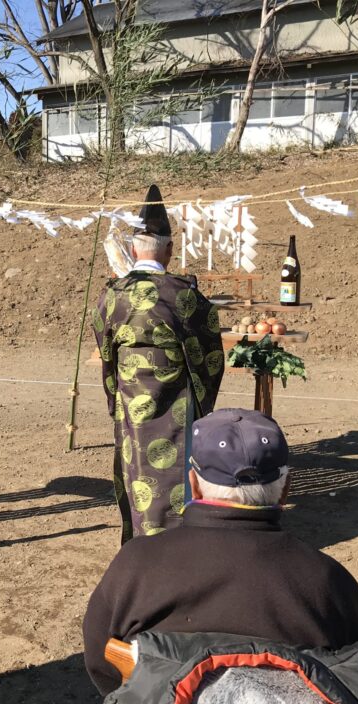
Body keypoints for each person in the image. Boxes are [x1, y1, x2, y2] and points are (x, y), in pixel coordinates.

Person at [82, 408, 358, 697]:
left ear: (193, 484)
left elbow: (101, 662)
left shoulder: (137, 563)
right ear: (286, 488)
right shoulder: (327, 580)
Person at [94, 185, 224, 544]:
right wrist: (203, 399)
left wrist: (116, 395)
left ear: (134, 249)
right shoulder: (183, 294)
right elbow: (209, 353)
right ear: (169, 249)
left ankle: (139, 544)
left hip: (132, 409)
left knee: (136, 472)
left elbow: (106, 354)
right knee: (177, 475)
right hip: (177, 410)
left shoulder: (112, 295)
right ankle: (179, 547)